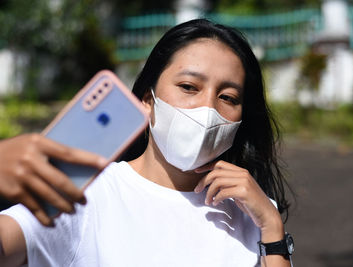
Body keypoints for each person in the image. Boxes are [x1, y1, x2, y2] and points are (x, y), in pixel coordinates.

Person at [0, 19, 293, 266]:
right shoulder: (87, 194)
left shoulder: (253, 211)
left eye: (228, 97)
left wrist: (272, 229)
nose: (208, 108)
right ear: (147, 100)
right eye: (189, 87)